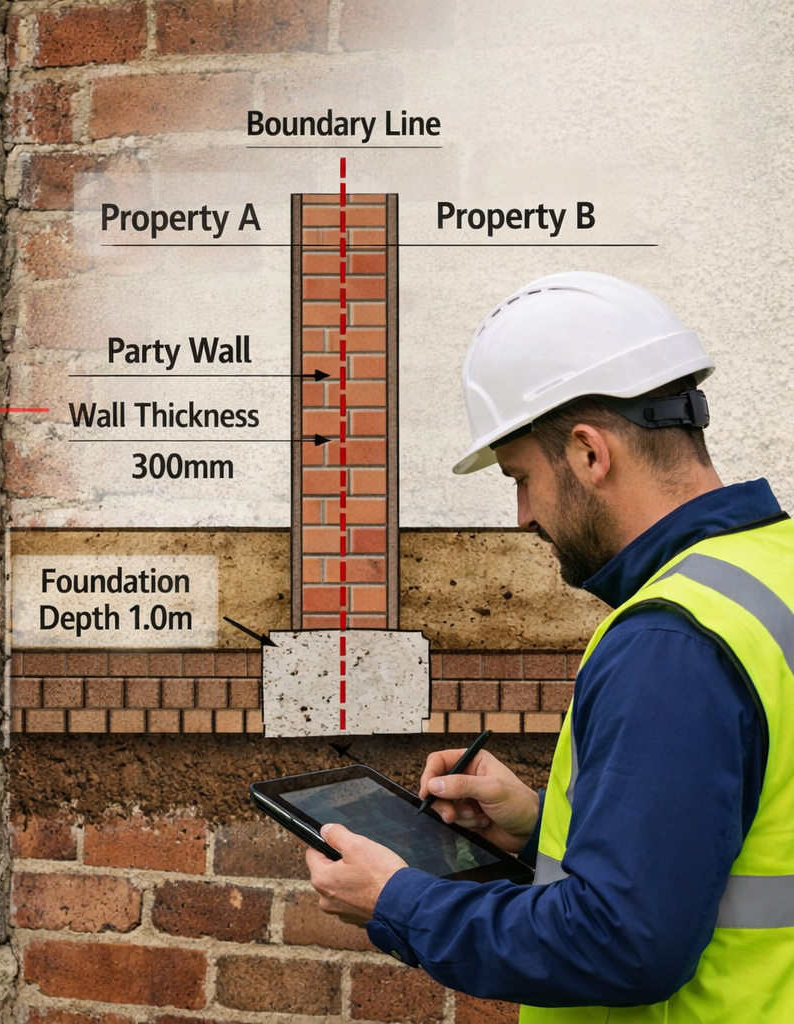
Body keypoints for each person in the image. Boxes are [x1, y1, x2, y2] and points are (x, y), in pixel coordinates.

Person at [305, 271, 794, 1020]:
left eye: (522, 478)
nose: (523, 516)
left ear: (590, 453)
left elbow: (621, 943)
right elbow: (735, 840)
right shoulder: (773, 570)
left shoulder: (671, 640)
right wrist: (537, 827)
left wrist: (398, 901)